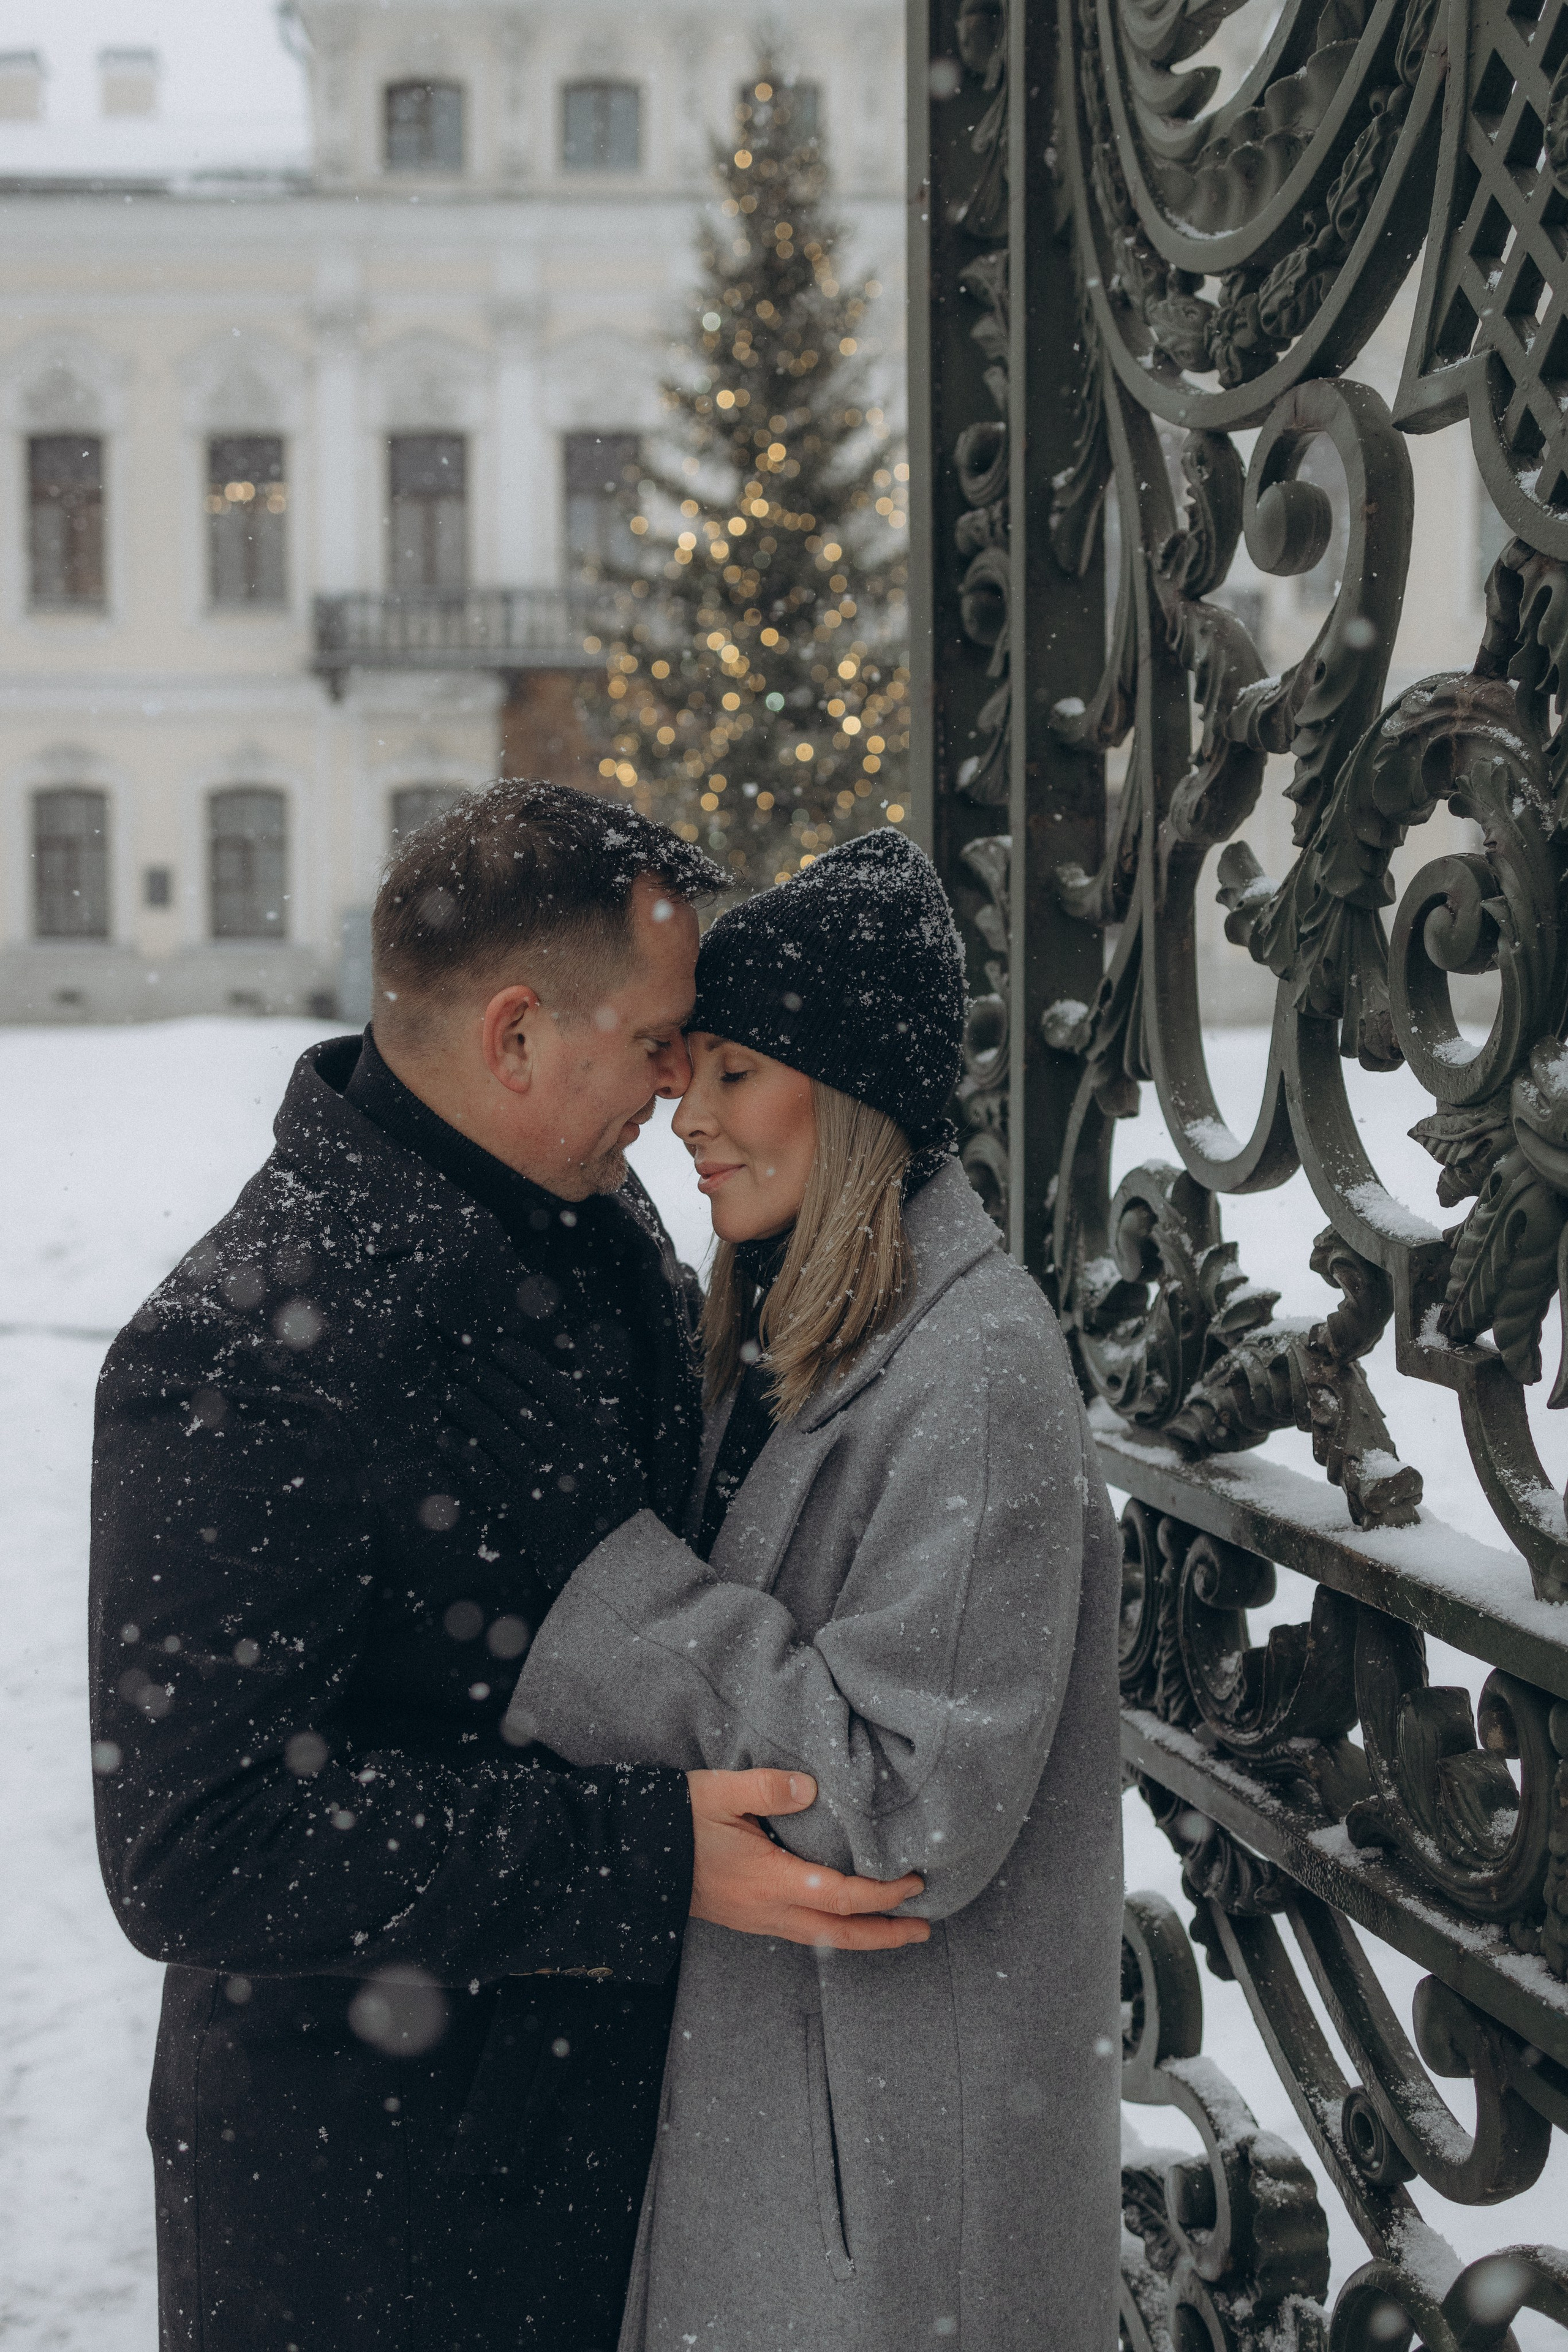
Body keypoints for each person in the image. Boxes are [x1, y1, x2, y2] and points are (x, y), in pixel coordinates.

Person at [89, 783, 926, 2352]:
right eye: (656, 1038)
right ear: (519, 1036)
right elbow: (192, 1848)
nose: (680, 1083)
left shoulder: (588, 1228)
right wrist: (647, 1857)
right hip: (378, 2222)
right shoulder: (234, 1352)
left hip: (603, 2161)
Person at [469, 829, 1125, 2350]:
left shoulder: (968, 1373)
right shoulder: (789, 1323)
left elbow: (903, 1813)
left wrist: (616, 1597)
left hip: (886, 2198)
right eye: (682, 1068)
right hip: (803, 2132)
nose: (682, 1115)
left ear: (854, 1101)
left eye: (734, 1075)